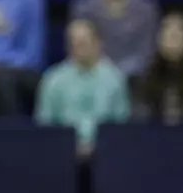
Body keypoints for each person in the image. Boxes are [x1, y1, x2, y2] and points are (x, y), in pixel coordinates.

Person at [35, 19, 131, 153]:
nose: (78, 47)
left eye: (84, 42)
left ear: (98, 43)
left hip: (106, 150)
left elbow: (121, 124)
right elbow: (45, 124)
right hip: (62, 151)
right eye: (74, 43)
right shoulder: (53, 79)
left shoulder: (114, 78)